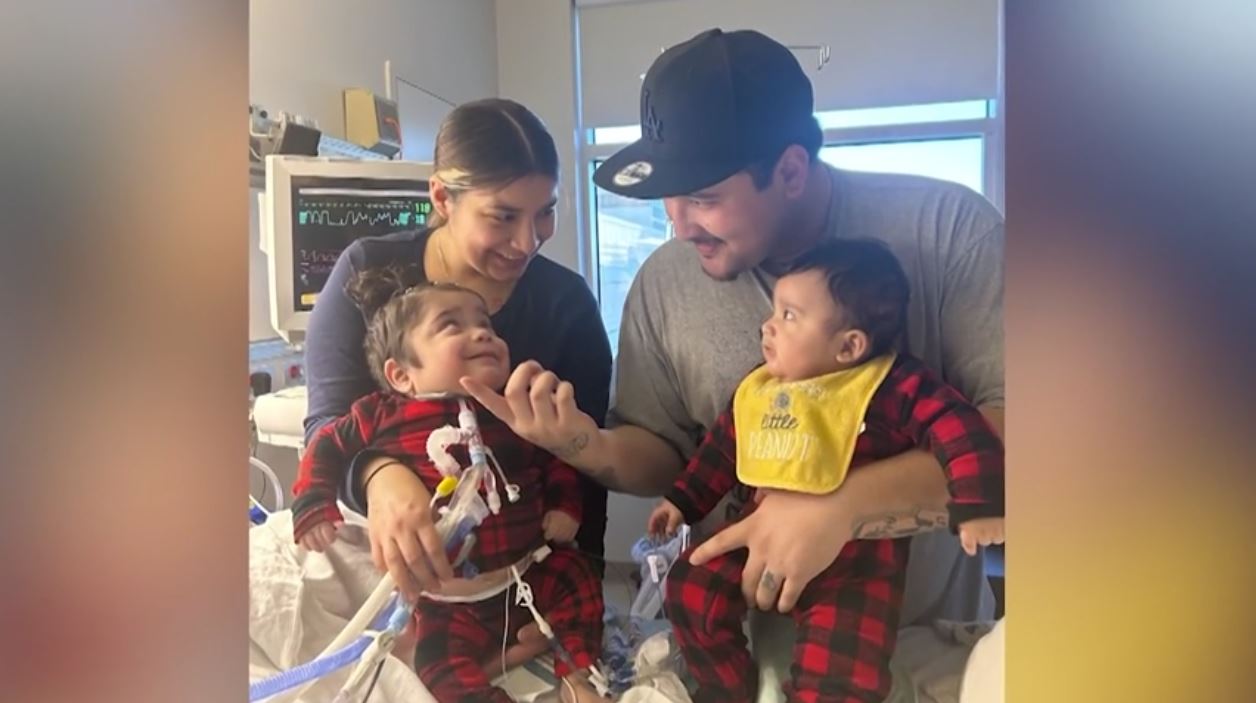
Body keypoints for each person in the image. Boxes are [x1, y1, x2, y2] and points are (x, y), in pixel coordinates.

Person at [461, 26, 1006, 679]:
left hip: (918, 644)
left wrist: (842, 506)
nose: (677, 224)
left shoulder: (949, 233)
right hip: (731, 648)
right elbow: (665, 450)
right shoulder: (664, 282)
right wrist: (581, 443)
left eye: (703, 197)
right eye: (668, 195)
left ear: (791, 170)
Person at [645, 239, 1005, 702]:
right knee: (691, 586)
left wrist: (979, 501)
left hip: (857, 566)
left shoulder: (889, 385)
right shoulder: (761, 389)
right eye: (774, 311)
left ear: (849, 345)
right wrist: (682, 500)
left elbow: (957, 427)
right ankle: (726, 688)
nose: (768, 325)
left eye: (789, 316)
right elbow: (722, 449)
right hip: (760, 539)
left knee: (841, 673)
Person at [302, 98, 613, 614]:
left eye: (546, 212)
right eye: (503, 216)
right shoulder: (367, 270)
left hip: (527, 583)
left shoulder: (566, 305)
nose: (528, 241)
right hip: (397, 587)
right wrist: (379, 475)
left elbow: (584, 471)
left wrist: (572, 598)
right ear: (443, 197)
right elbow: (327, 430)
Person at [293, 271, 608, 703]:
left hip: (526, 576)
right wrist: (312, 501)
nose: (481, 333)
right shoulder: (380, 413)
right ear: (401, 375)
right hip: (446, 601)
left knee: (579, 576)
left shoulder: (513, 409)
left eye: (485, 323)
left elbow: (552, 458)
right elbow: (326, 445)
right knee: (437, 667)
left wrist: (564, 504)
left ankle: (581, 678)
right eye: (452, 325)